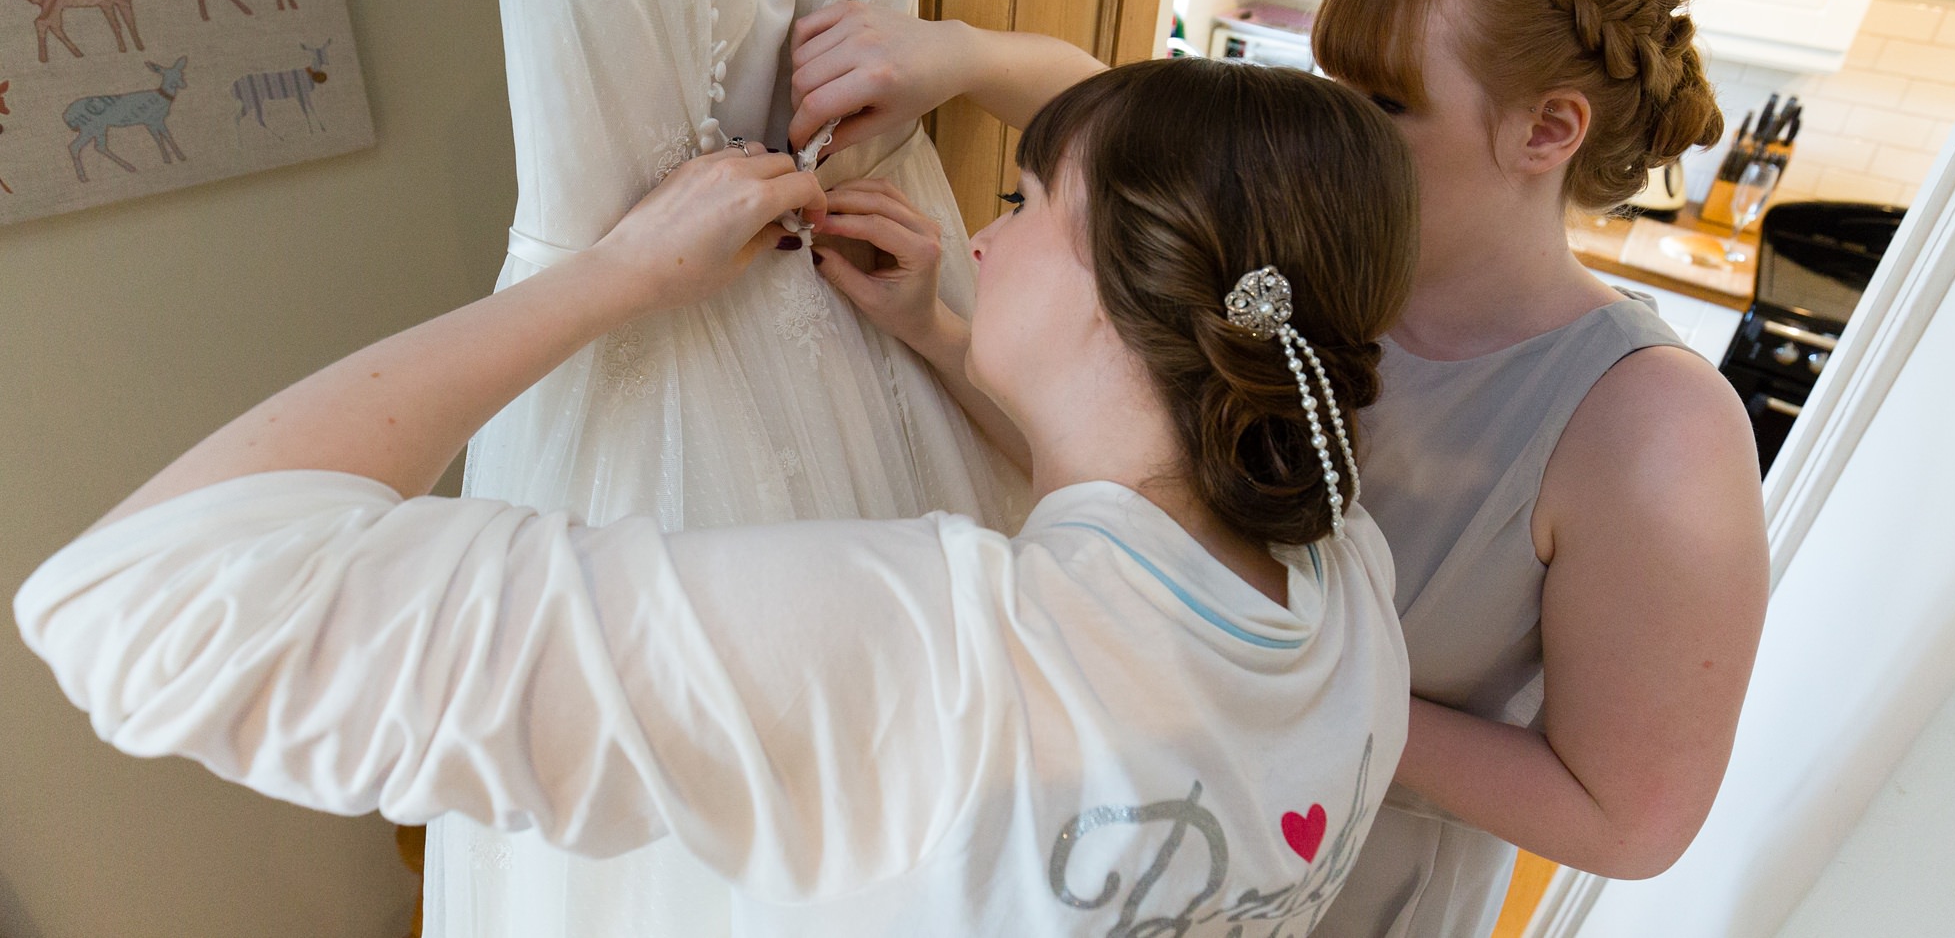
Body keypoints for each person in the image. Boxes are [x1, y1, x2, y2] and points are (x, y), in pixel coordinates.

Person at [18, 59, 1420, 937]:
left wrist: (607, 279)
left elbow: (135, 600)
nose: (984, 232)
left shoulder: (944, 656)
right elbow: (1143, 490)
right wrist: (948, 332)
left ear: (1136, 286)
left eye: (1028, 196)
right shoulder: (1346, 573)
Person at [786, 0, 1770, 936]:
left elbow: (1627, 819)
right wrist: (955, 76)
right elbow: (1136, 464)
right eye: (1329, 82)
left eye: (1383, 105)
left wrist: (1273, 678)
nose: (1328, 127)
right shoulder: (1297, 266)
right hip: (1104, 858)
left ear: (1548, 130)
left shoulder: (1654, 427)